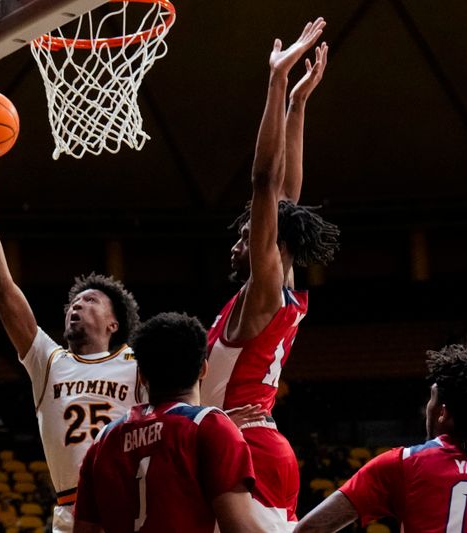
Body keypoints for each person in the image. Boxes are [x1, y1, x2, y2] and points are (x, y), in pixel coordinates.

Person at [0, 144, 142, 533]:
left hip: (130, 506)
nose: (76, 306)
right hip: (71, 511)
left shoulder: (139, 365)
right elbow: (2, 287)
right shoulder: (49, 361)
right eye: (73, 302)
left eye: (89, 301)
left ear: (113, 324)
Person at [199, 17, 339, 533]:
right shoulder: (274, 291)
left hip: (246, 448)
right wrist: (298, 107)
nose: (239, 243)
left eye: (246, 236)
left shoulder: (262, 294)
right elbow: (284, 201)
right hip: (258, 445)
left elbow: (265, 184)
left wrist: (277, 83)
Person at [74, 312, 261, 533]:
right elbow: (240, 528)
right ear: (203, 369)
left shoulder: (103, 441)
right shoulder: (210, 426)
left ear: (142, 376)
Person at [295, 342, 467, 533]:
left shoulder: (402, 463)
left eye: (431, 398)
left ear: (443, 413)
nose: (426, 409)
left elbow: (309, 529)